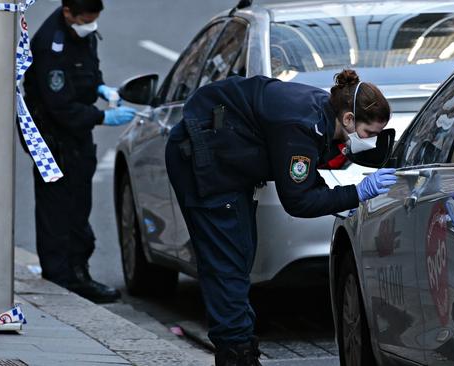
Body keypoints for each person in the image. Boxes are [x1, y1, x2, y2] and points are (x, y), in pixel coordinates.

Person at [165, 69, 397, 365]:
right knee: (228, 264)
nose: (371, 141)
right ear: (349, 119)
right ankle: (236, 355)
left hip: (225, 162)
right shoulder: (302, 124)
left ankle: (239, 347)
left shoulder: (321, 112)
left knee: (239, 258)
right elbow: (298, 200)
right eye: (370, 134)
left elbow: (307, 178)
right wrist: (356, 193)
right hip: (205, 164)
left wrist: (338, 198)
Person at [23, 0, 135, 303]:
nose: (91, 25)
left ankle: (78, 272)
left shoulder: (80, 33)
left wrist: (101, 88)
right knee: (57, 211)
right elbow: (59, 106)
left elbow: (88, 71)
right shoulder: (51, 45)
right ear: (68, 12)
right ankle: (61, 279)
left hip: (76, 138)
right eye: (86, 19)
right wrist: (102, 117)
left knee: (78, 205)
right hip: (52, 139)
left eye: (94, 19)